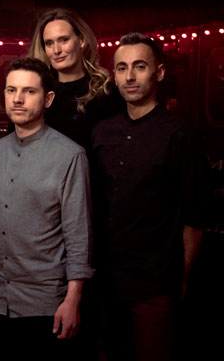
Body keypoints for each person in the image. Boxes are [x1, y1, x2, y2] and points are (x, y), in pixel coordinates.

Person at [0, 57, 93, 361]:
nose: (17, 99)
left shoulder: (70, 156)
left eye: (29, 91)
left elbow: (78, 236)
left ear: (48, 99)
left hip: (44, 304)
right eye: (11, 90)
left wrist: (73, 300)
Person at [91, 33, 207, 361]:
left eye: (139, 67)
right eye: (122, 68)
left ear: (159, 72)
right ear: (114, 76)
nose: (129, 76)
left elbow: (195, 217)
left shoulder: (180, 135)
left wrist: (181, 275)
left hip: (154, 282)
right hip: (104, 278)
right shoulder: (101, 132)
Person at [29, 8, 123, 151]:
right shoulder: (37, 93)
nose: (56, 50)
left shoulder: (106, 94)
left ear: (81, 40)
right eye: (49, 43)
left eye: (63, 40)